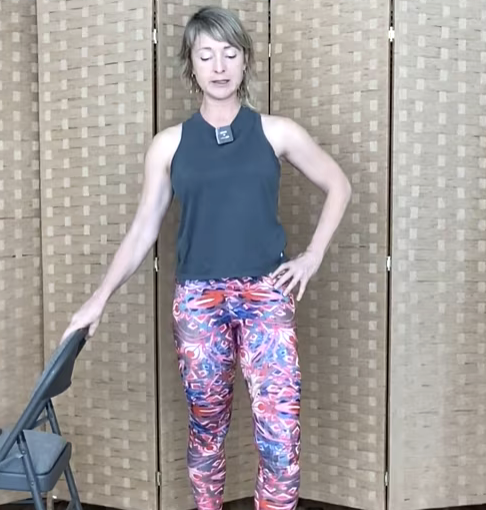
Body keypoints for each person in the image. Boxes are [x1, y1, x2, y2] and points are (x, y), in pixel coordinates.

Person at [60, 6, 351, 510]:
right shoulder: (169, 145)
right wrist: (97, 301)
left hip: (266, 295)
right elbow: (142, 231)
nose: (219, 66)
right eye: (206, 55)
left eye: (230, 54)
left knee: (280, 432)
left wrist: (311, 256)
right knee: (207, 425)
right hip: (198, 301)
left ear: (245, 61)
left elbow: (338, 184)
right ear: (190, 65)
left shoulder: (277, 132)